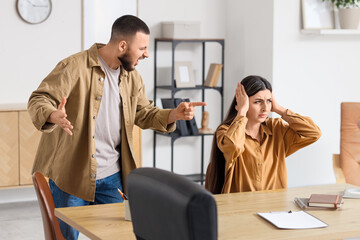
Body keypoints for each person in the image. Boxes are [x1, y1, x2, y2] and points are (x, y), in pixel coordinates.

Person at [28, 15, 205, 240]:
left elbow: (143, 113)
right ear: (123, 45)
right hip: (70, 174)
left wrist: (173, 114)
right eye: (142, 48)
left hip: (113, 177)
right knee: (64, 238)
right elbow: (39, 98)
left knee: (121, 236)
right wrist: (53, 114)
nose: (146, 54)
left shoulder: (133, 78)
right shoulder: (73, 66)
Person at [205, 75, 321, 194]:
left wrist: (279, 109)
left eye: (269, 101)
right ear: (240, 104)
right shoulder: (225, 131)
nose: (265, 108)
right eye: (258, 102)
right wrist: (242, 112)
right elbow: (234, 146)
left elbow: (313, 133)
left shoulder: (277, 129)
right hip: (240, 207)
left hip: (274, 207)